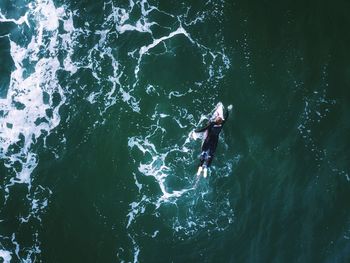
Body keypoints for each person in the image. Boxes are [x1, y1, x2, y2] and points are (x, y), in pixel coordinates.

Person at [195, 105, 231, 178]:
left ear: (216, 121)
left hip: (208, 140)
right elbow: (226, 117)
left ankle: (200, 167)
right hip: (214, 142)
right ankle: (206, 169)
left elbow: (204, 129)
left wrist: (196, 131)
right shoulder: (222, 124)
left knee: (204, 153)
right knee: (210, 155)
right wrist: (227, 109)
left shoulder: (212, 124)